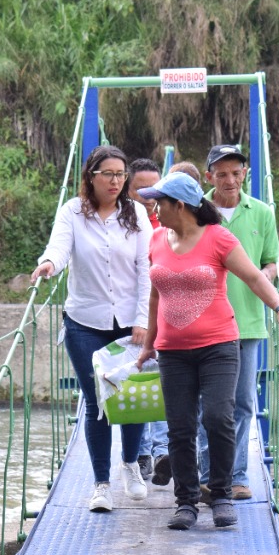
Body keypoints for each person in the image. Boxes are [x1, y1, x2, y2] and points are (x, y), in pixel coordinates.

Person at [135, 171, 279, 531]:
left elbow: (256, 277)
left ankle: (222, 495)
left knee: (217, 417)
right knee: (180, 428)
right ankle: (186, 502)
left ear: (179, 205)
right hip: (172, 351)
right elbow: (155, 294)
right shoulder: (156, 240)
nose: (154, 206)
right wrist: (149, 343)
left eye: (159, 201)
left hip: (219, 347)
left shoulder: (218, 238)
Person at [31, 146, 152, 513]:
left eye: (121, 174)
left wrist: (144, 319)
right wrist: (49, 264)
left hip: (130, 323)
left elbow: (147, 268)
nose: (116, 181)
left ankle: (130, 464)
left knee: (132, 396)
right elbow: (60, 247)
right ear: (91, 176)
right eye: (108, 174)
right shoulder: (73, 211)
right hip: (84, 322)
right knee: (98, 401)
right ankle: (101, 484)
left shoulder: (138, 213)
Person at [197, 144, 279, 501]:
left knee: (243, 402)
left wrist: (261, 277)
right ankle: (206, 474)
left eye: (236, 172)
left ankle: (237, 475)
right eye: (222, 173)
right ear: (208, 176)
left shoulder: (261, 213)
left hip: (246, 322)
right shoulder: (193, 212)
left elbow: (272, 263)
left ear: (245, 173)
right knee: (208, 404)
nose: (229, 180)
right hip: (204, 324)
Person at [127, 157, 169, 485]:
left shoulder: (172, 223)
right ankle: (143, 452)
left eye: (155, 189)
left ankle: (160, 451)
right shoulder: (121, 225)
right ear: (128, 190)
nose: (150, 197)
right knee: (141, 383)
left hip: (169, 313)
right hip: (136, 317)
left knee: (166, 386)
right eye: (142, 190)